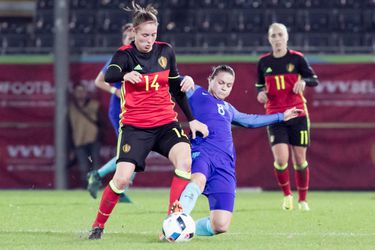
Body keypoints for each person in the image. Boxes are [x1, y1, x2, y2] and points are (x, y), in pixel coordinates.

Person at [88, 1, 208, 240]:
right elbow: (109, 74)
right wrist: (125, 74)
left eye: (153, 34)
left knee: (184, 162)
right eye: (145, 35)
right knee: (121, 179)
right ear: (134, 32)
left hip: (165, 123)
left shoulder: (166, 51)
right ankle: (98, 225)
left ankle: (171, 222)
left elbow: (176, 88)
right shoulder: (124, 54)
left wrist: (191, 119)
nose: (149, 39)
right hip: (135, 126)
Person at [167, 65, 302, 237]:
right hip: (202, 153)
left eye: (229, 85)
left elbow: (251, 120)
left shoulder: (229, 109)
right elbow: (171, 79)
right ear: (210, 80)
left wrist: (281, 116)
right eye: (221, 82)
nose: (224, 87)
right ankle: (175, 221)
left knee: (220, 225)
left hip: (226, 165)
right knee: (197, 181)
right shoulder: (197, 92)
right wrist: (186, 78)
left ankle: (185, 228)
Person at [255, 23, 319, 211]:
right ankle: (287, 196)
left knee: (299, 160)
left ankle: (303, 200)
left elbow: (313, 79)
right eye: (273, 35)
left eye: (280, 34)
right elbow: (259, 86)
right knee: (281, 159)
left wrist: (303, 81)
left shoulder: (297, 59)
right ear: (269, 39)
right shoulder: (263, 62)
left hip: (298, 113)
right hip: (276, 115)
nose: (277, 38)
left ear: (286, 37)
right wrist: (260, 93)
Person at [86, 23, 135, 203]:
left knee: (136, 152)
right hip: (121, 110)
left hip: (138, 110)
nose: (132, 41)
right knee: (132, 152)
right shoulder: (120, 56)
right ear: (123, 40)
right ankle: (99, 176)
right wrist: (116, 92)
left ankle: (118, 186)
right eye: (128, 38)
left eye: (134, 38)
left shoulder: (144, 57)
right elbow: (99, 81)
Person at [68, 84, 101, 187]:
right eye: (78, 91)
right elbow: (68, 128)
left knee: (95, 165)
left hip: (93, 140)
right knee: (83, 167)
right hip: (79, 141)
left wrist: (100, 137)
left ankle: (95, 186)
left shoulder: (95, 105)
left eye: (82, 91)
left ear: (86, 93)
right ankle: (85, 187)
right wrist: (70, 147)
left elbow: (102, 123)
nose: (80, 93)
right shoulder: (71, 108)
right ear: (74, 93)